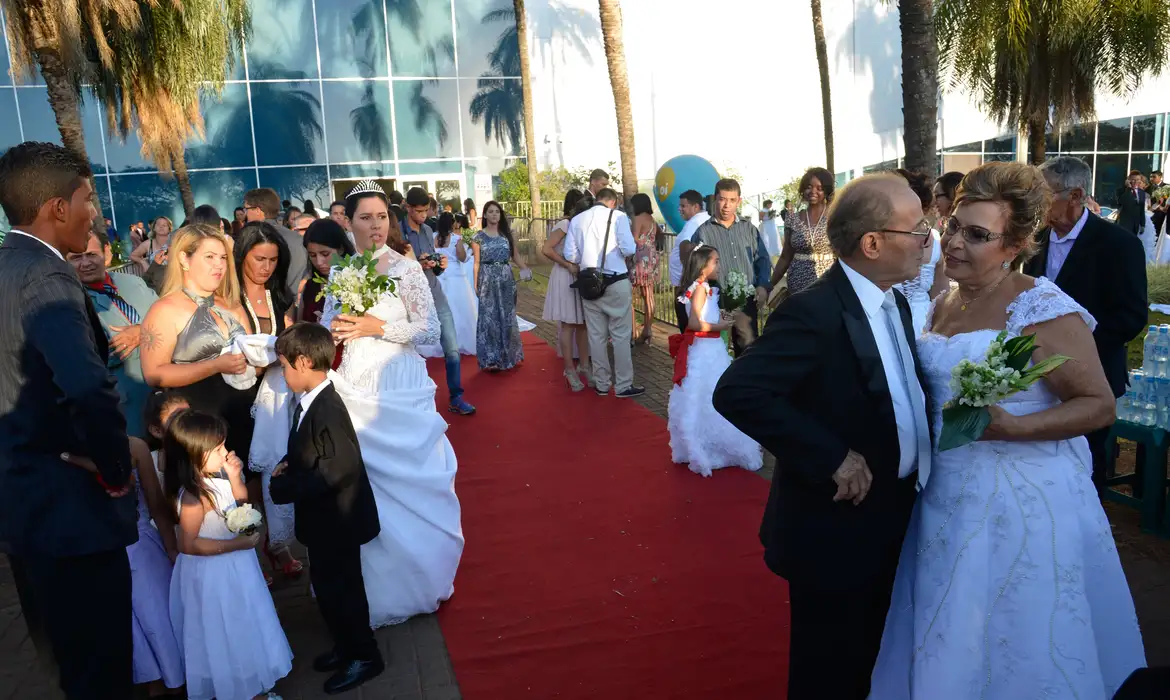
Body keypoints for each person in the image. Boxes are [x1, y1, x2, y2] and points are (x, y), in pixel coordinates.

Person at [870, 161, 1145, 699]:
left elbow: (1098, 404)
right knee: (949, 621)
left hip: (1021, 503)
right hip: (945, 495)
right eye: (952, 226)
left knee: (1017, 628)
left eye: (976, 235)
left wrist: (1014, 427)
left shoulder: (1039, 306)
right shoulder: (943, 302)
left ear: (1015, 244)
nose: (952, 242)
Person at [713, 173, 932, 699]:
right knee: (829, 671)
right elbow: (739, 391)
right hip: (836, 528)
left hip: (892, 517)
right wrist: (831, 455)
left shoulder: (895, 300)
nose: (929, 236)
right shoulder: (814, 310)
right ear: (873, 243)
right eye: (918, 227)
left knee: (874, 662)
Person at [0, 141, 137, 698]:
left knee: (69, 668)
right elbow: (86, 386)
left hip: (27, 510)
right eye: (88, 198)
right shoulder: (48, 279)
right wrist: (114, 470)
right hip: (71, 510)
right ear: (58, 208)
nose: (96, 213)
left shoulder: (9, 268)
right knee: (99, 669)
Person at [292, 179, 464, 624]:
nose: (376, 227)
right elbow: (331, 325)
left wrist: (377, 327)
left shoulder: (406, 269)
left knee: (409, 485)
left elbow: (429, 332)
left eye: (382, 217)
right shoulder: (342, 272)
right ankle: (369, 587)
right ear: (348, 223)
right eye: (365, 218)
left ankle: (418, 575)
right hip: (354, 384)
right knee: (361, 485)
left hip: (398, 385)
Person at [270, 323, 384, 694]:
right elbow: (312, 452)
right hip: (324, 524)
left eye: (284, 366)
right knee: (328, 587)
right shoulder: (312, 402)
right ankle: (345, 645)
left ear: (303, 363)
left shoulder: (328, 408)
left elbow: (339, 467)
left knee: (344, 590)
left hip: (339, 523)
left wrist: (286, 486)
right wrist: (292, 463)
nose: (283, 374)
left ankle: (364, 655)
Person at [1026, 156, 1148, 494]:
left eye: (1044, 195)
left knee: (1085, 464)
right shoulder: (1036, 240)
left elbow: (1131, 316)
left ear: (1076, 195)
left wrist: (1071, 346)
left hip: (1092, 375)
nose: (1036, 204)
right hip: (1036, 375)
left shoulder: (1118, 244)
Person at [164, 409, 292, 700]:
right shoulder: (195, 497)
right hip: (213, 576)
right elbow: (188, 544)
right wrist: (237, 545)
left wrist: (235, 478)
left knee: (244, 621)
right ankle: (241, 691)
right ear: (194, 455)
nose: (225, 452)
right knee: (225, 630)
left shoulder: (217, 480)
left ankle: (252, 684)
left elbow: (239, 505)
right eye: (217, 449)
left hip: (235, 570)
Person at [138, 225, 257, 495]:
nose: (220, 265)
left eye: (223, 258)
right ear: (183, 259)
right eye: (210, 257)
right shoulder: (164, 310)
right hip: (199, 429)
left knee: (249, 501)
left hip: (244, 416)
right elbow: (153, 373)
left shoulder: (232, 304)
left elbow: (254, 358)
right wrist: (215, 365)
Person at [668, 244, 762, 477]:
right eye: (716, 261)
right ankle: (710, 446)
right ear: (703, 266)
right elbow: (694, 323)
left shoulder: (702, 288)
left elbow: (701, 317)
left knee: (703, 397)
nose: (719, 266)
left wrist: (719, 316)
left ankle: (707, 442)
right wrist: (720, 326)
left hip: (708, 349)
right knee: (711, 394)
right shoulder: (700, 288)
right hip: (705, 350)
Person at [70, 227, 159, 437]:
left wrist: (143, 331)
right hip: (125, 413)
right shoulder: (70, 304)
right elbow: (100, 355)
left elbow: (171, 322)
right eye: (76, 257)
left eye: (91, 254)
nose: (85, 263)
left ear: (107, 252)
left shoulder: (134, 282)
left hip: (166, 397)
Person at [401, 187, 477, 415]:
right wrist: (417, 265)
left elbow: (432, 266)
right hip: (409, 299)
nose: (423, 215)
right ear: (407, 207)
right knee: (408, 351)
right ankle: (412, 402)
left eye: (426, 211)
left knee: (451, 348)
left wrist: (438, 264)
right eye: (419, 211)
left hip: (435, 292)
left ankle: (456, 396)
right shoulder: (398, 233)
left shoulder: (427, 231)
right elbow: (397, 268)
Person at [564, 188, 645, 398]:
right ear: (613, 201)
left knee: (596, 336)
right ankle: (623, 385)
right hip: (615, 281)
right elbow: (628, 249)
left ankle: (601, 384)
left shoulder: (578, 219)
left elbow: (569, 254)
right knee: (620, 335)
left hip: (589, 283)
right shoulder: (618, 217)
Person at [124, 417, 183, 696]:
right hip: (102, 553)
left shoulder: (134, 447)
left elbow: (157, 505)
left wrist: (171, 548)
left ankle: (175, 680)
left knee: (159, 616)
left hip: (141, 543)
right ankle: (151, 684)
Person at [689, 178, 772, 356]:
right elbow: (695, 269)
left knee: (748, 350)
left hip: (745, 302)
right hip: (715, 303)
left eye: (732, 200)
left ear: (738, 201)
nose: (726, 205)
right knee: (717, 352)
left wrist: (763, 286)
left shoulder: (749, 229)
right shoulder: (703, 232)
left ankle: (745, 384)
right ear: (715, 199)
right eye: (722, 199)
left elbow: (763, 259)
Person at [542, 189, 592, 390]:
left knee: (582, 323)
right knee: (569, 323)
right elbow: (546, 248)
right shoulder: (565, 224)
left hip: (579, 275)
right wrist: (567, 264)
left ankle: (584, 366)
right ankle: (569, 369)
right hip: (565, 275)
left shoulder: (582, 225)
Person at [472, 201, 528, 371]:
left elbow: (515, 256)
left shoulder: (506, 235)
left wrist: (525, 268)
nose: (494, 214)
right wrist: (476, 284)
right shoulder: (478, 237)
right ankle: (491, 358)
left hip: (505, 279)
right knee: (489, 319)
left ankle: (508, 355)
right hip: (487, 279)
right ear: (486, 215)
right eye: (491, 211)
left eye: (497, 211)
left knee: (507, 316)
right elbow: (476, 263)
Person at [891, 169, 948, 335]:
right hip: (887, 319)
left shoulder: (936, 240)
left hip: (924, 322)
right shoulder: (880, 240)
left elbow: (941, 297)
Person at [769, 167, 836, 298]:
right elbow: (785, 256)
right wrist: (769, 285)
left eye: (819, 188)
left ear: (826, 191)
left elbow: (844, 255)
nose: (813, 191)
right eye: (809, 187)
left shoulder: (834, 217)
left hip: (828, 281)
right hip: (797, 284)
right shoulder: (792, 218)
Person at [244, 188, 308, 298]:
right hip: (298, 300)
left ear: (258, 210)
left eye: (247, 209)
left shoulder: (252, 238)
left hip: (267, 304)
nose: (246, 214)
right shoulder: (297, 238)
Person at [235, 222, 295, 337]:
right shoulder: (225, 294)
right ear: (242, 255)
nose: (266, 267)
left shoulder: (282, 296)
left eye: (273, 260)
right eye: (259, 259)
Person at [432, 212, 477, 355]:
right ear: (452, 224)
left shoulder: (433, 237)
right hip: (455, 275)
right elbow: (462, 258)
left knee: (441, 308)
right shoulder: (456, 239)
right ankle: (460, 339)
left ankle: (442, 341)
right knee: (460, 307)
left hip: (439, 273)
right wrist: (469, 251)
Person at [300, 218, 356, 324]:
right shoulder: (310, 287)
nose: (319, 262)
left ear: (341, 249)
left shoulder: (357, 284)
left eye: (325, 254)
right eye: (312, 255)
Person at [669, 189, 710, 331]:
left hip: (687, 287)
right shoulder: (697, 221)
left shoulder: (695, 223)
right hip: (689, 285)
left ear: (696, 206)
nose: (680, 209)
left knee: (687, 328)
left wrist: (686, 281)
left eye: (683, 206)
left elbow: (688, 250)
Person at [629, 193, 660, 345]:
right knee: (648, 295)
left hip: (640, 257)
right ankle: (648, 328)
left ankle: (633, 330)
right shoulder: (652, 220)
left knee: (629, 295)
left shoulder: (638, 218)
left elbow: (633, 238)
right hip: (652, 257)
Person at [1115, 170, 1149, 235]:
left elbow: (1141, 210)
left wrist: (1142, 224)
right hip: (1124, 223)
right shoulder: (1121, 191)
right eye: (1133, 179)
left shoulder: (1141, 193)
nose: (1136, 182)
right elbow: (1121, 202)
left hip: (1135, 224)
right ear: (1129, 180)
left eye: (1138, 179)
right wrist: (1128, 189)